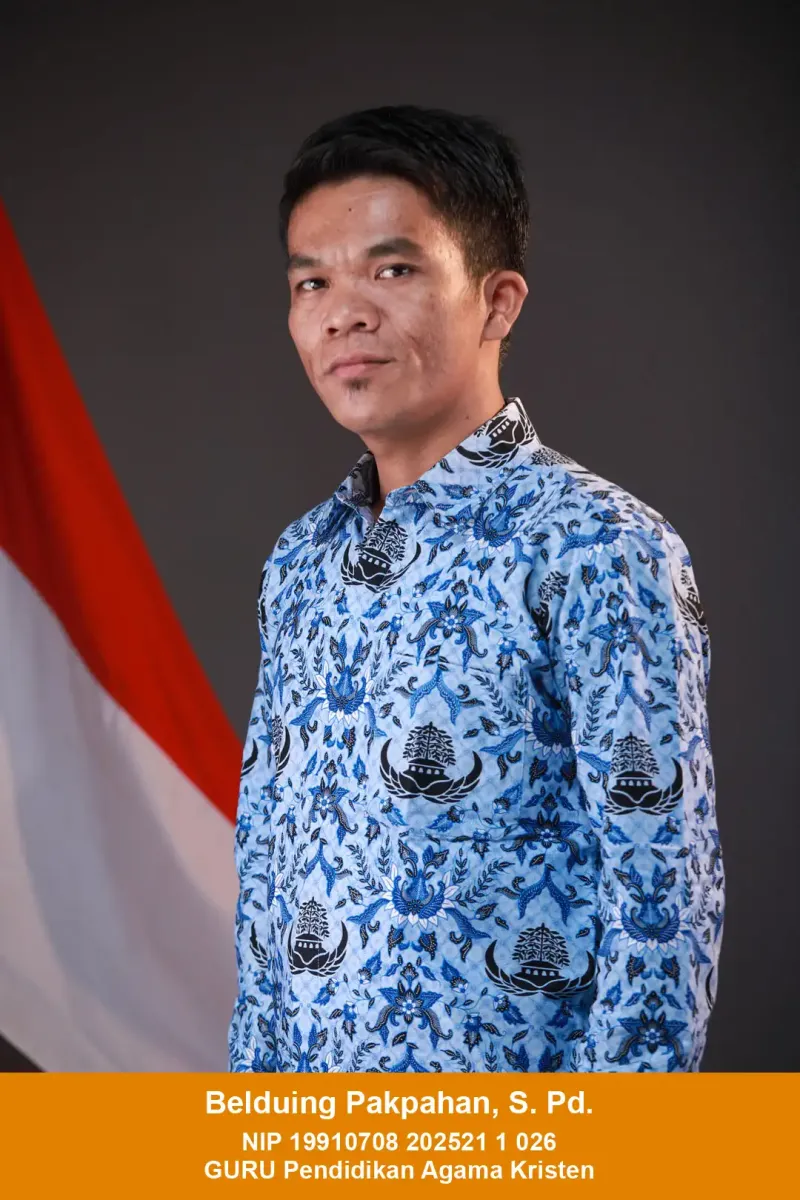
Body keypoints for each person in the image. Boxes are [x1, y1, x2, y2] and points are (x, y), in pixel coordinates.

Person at [228, 104, 724, 1073]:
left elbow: (663, 901)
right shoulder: (300, 561)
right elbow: (267, 894)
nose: (342, 312)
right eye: (311, 281)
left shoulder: (597, 545)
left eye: (393, 270)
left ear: (497, 302)